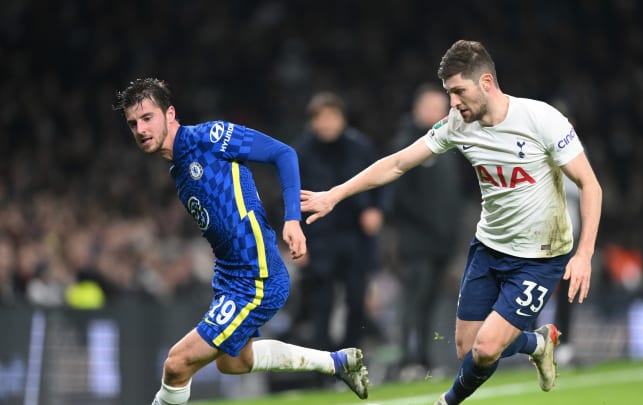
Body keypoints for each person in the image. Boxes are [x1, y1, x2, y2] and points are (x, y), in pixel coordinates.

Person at [300, 39, 602, 405]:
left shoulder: (542, 119)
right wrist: (336, 194)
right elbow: (397, 163)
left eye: (458, 91)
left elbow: (590, 185)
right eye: (448, 93)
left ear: (486, 83)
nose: (453, 102)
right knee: (467, 348)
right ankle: (537, 342)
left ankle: (447, 401)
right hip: (489, 247)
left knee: (488, 348)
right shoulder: (458, 125)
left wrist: (583, 254)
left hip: (541, 254)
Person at [113, 78, 369, 405]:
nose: (141, 129)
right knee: (233, 362)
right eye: (133, 123)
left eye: (148, 118)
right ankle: (337, 363)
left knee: (177, 364)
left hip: (256, 276)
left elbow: (283, 153)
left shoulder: (209, 137)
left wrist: (292, 218)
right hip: (230, 277)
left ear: (170, 114)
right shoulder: (178, 169)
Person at [292, 91, 384, 351]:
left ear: (343, 119)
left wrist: (376, 209)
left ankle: (350, 355)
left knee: (357, 300)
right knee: (321, 305)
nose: (327, 123)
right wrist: (296, 235)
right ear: (311, 121)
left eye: (332, 117)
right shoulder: (299, 152)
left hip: (355, 236)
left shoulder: (360, 146)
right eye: (321, 118)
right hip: (318, 237)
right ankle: (324, 365)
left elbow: (380, 182)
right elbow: (287, 197)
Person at [388, 83, 465, 376]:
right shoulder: (405, 143)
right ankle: (408, 361)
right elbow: (399, 197)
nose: (437, 113)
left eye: (441, 108)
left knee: (433, 303)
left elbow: (454, 196)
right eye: (431, 107)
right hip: (416, 242)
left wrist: (450, 232)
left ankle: (426, 360)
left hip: (442, 243)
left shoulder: (449, 145)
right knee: (414, 301)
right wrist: (429, 226)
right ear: (416, 110)